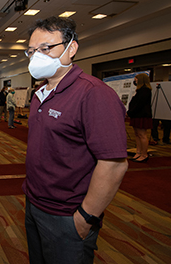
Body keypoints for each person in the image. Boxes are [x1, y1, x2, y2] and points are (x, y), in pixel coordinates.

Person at [23, 16, 128, 264]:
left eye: (46, 48)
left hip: (68, 214)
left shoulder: (94, 94)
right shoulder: (40, 93)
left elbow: (114, 164)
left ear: (71, 48)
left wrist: (85, 217)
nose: (37, 56)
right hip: (34, 203)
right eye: (32, 51)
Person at [127, 73, 153, 162]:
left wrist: (130, 112)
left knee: (142, 135)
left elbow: (139, 104)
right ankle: (138, 152)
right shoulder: (139, 90)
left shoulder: (145, 90)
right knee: (137, 135)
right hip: (136, 115)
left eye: (136, 79)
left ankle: (144, 154)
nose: (135, 81)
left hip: (141, 115)